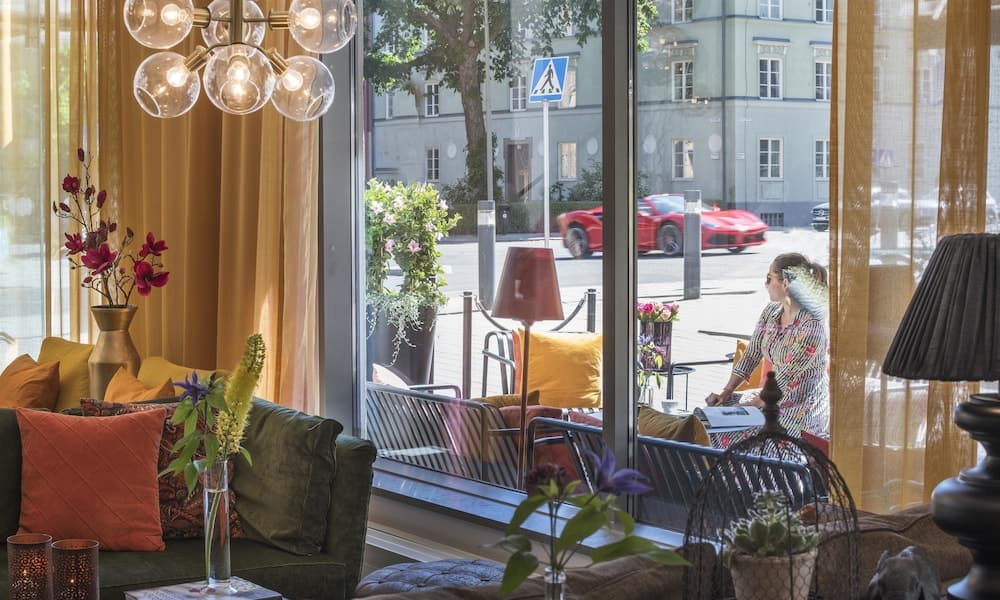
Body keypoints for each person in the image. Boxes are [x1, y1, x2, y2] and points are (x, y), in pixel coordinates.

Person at [705, 253, 830, 440]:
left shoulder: (811, 328)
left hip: (801, 404)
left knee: (738, 434)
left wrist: (744, 409)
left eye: (769, 278)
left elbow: (785, 379)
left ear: (785, 284)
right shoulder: (771, 312)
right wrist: (726, 392)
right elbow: (752, 354)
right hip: (770, 396)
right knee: (711, 419)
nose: (765, 284)